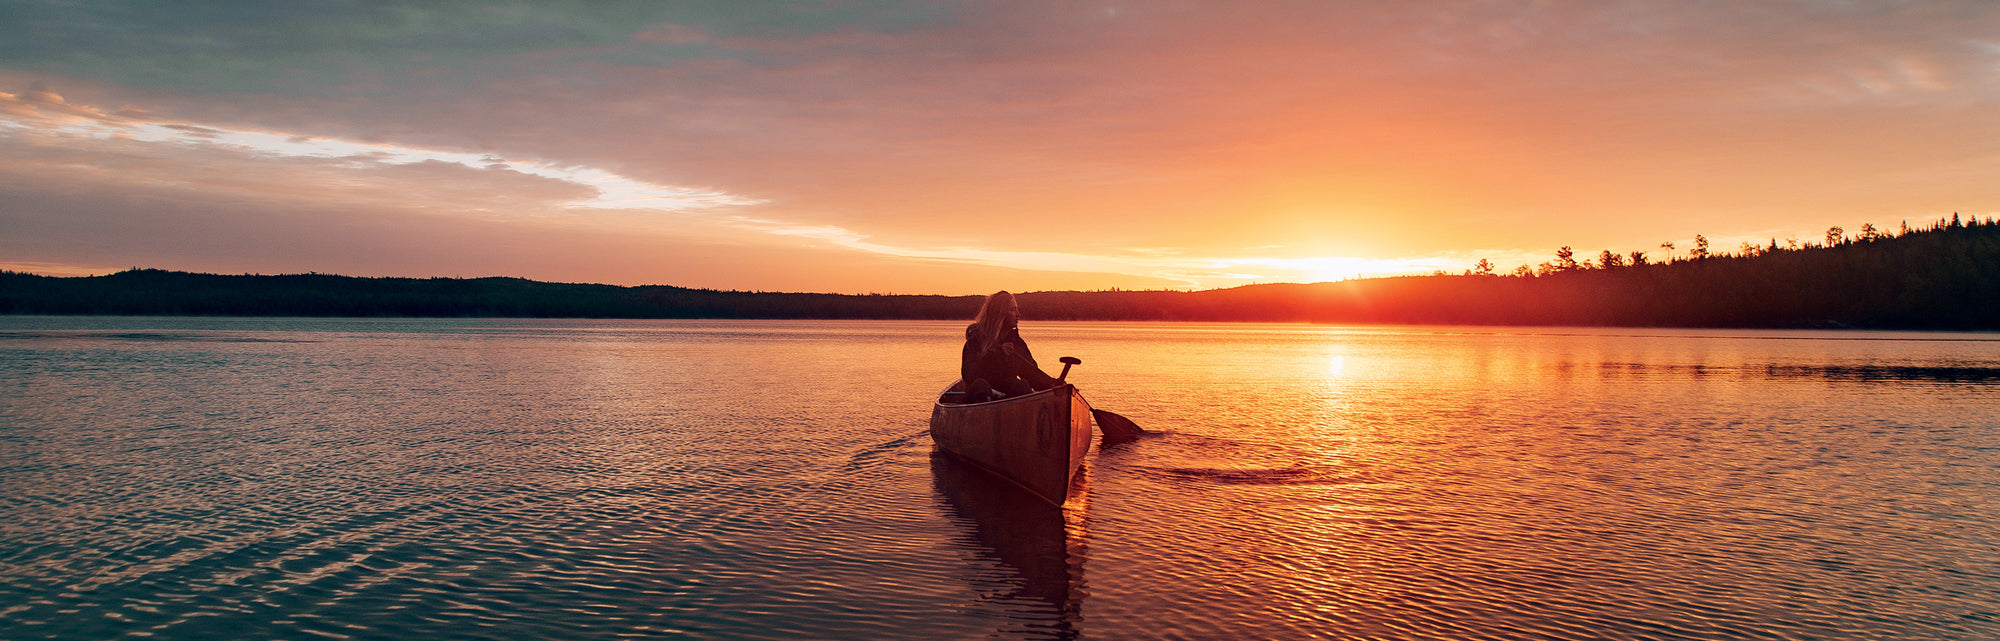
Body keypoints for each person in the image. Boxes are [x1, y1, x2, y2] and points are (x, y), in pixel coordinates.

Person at [961, 291, 1059, 402]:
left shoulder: (1016, 343)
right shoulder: (975, 341)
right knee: (980, 385)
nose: (1018, 315)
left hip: (1008, 401)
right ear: (999, 313)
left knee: (1021, 385)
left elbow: (1032, 374)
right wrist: (998, 354)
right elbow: (969, 375)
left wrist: (1053, 384)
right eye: (1013, 310)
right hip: (980, 399)